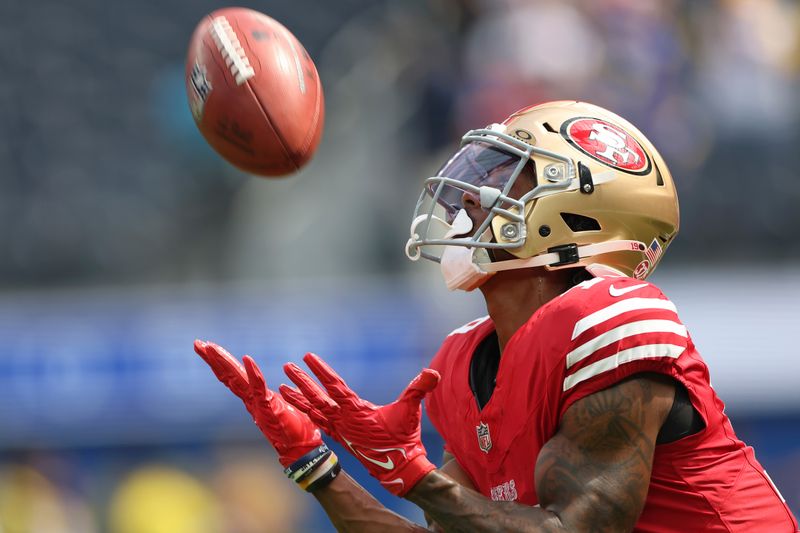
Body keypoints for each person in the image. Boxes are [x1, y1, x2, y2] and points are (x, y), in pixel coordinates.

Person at [195, 101, 799, 532]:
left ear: (574, 214)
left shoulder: (613, 322)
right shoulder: (464, 360)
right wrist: (317, 467)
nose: (466, 197)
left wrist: (414, 476)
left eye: (506, 176)